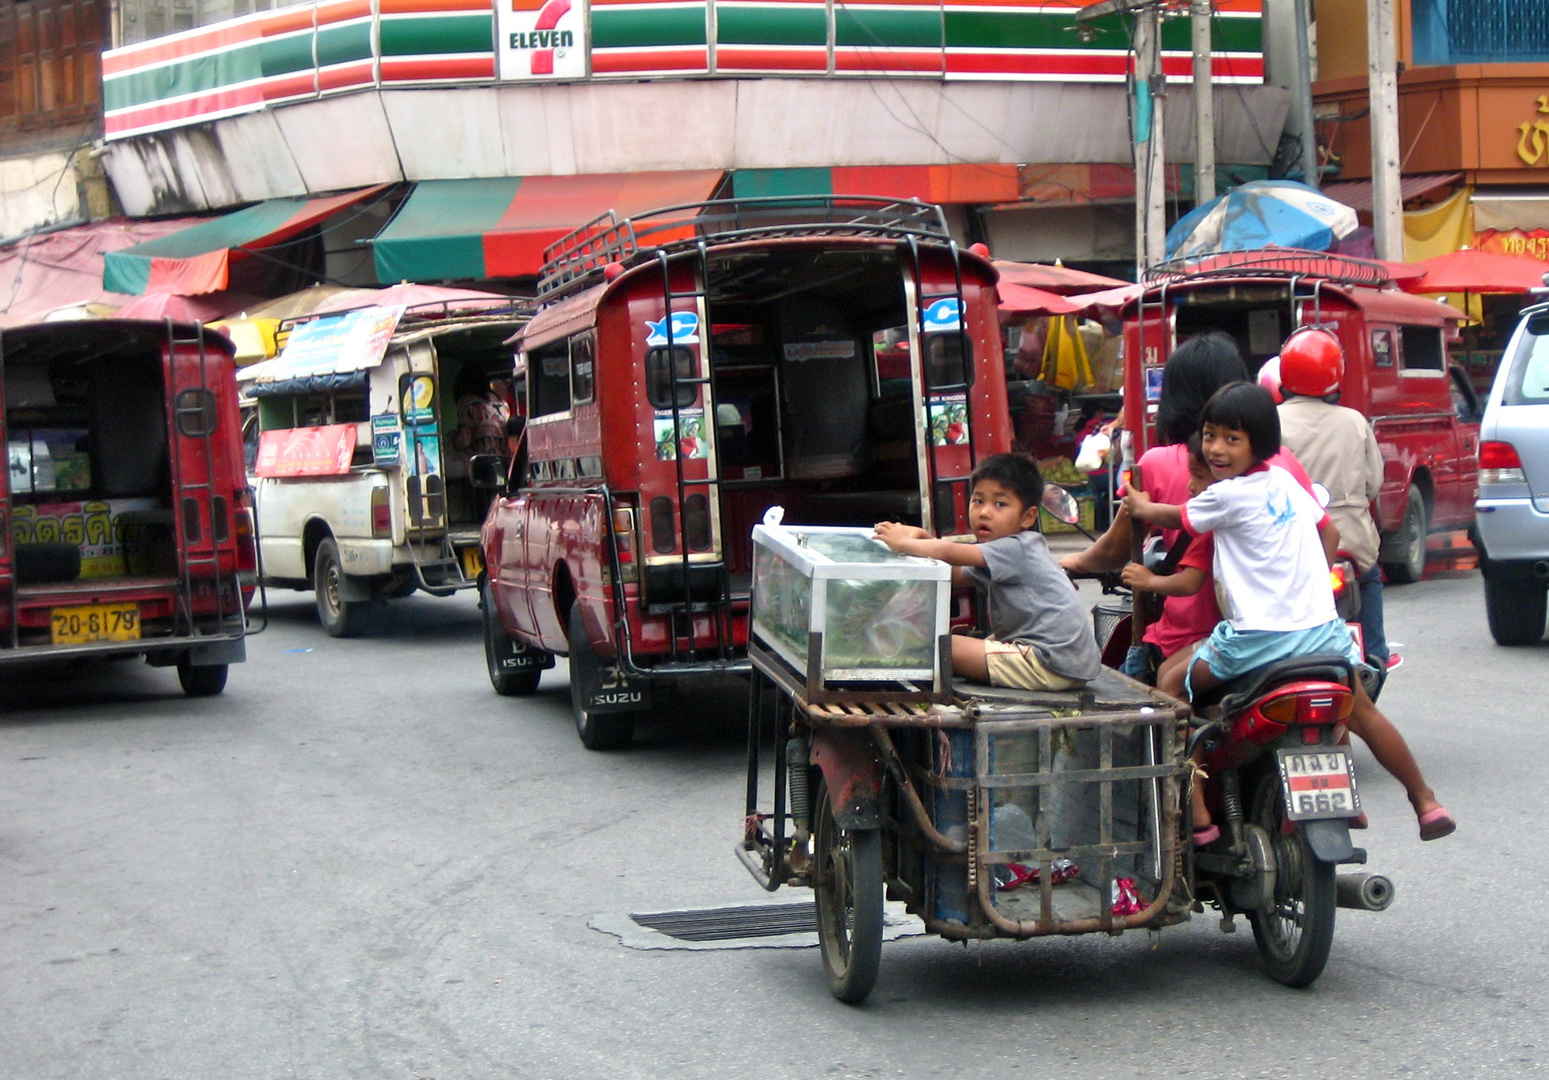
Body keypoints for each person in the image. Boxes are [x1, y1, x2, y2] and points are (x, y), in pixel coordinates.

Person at [1124, 383, 1454, 842]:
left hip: (1257, 641)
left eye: (1232, 439)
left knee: (1169, 683)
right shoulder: (1284, 481)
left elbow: (1176, 516)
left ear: (1259, 443)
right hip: (1323, 634)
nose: (1217, 449)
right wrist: (1308, 585)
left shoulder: (1227, 494)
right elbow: (1331, 535)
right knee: (1364, 716)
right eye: (1211, 435)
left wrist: (1139, 505)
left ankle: (1197, 813)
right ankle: (1425, 801)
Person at [1060, 331, 1314, 681]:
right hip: (1295, 626)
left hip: (1199, 634)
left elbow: (1116, 550)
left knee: (1155, 690)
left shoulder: (1157, 462)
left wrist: (1072, 562)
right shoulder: (1282, 462)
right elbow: (1324, 531)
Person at [874, 453, 1102, 691]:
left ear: (1028, 517)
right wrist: (923, 539)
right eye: (978, 501)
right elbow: (956, 573)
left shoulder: (1017, 547)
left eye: (1000, 504)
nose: (984, 512)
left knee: (944, 647)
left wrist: (904, 543)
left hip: (1049, 662)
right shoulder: (1004, 552)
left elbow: (951, 551)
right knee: (963, 647)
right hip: (1065, 663)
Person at [1272, 327, 1392, 671]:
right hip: (1353, 544)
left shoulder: (1271, 422)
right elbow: (1374, 483)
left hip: (1293, 543)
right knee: (1369, 580)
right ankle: (1375, 654)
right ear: (1336, 374)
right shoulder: (1355, 421)